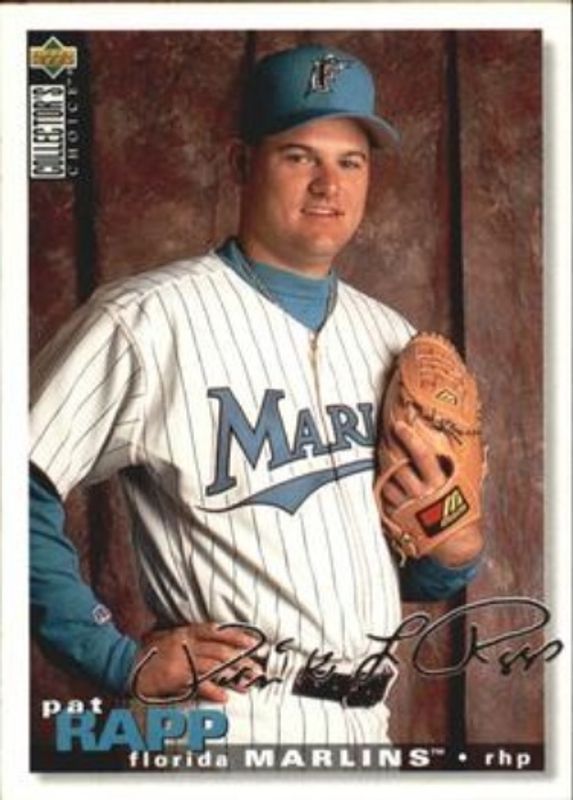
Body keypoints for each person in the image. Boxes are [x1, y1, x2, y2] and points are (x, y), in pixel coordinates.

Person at [30, 43, 483, 748]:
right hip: (221, 726)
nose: (327, 185)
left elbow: (417, 574)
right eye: (299, 156)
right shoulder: (144, 320)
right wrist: (112, 656)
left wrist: (454, 546)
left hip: (367, 729)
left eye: (350, 161)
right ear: (243, 164)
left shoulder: (391, 338)